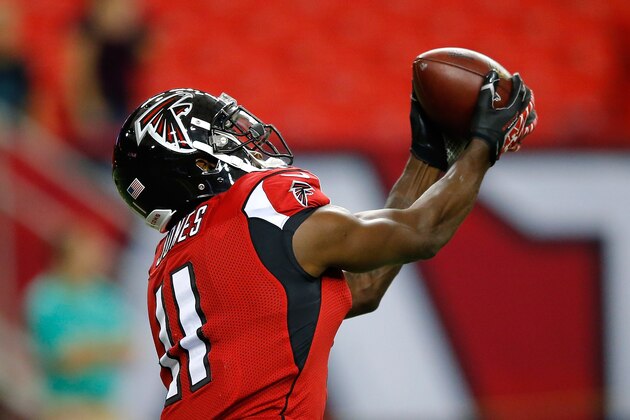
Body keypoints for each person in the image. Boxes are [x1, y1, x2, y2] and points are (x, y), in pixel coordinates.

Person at [112, 70, 536, 419]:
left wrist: (427, 154)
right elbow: (421, 231)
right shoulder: (257, 205)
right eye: (224, 137)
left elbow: (363, 288)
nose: (243, 137)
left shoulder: (169, 260)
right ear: (199, 163)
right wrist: (484, 143)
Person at [25, 224, 130, 420]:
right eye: (87, 250)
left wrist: (89, 349)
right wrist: (106, 349)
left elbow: (127, 351)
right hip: (64, 404)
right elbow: (64, 357)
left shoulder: (104, 294)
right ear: (66, 255)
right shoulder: (45, 296)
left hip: (104, 404)